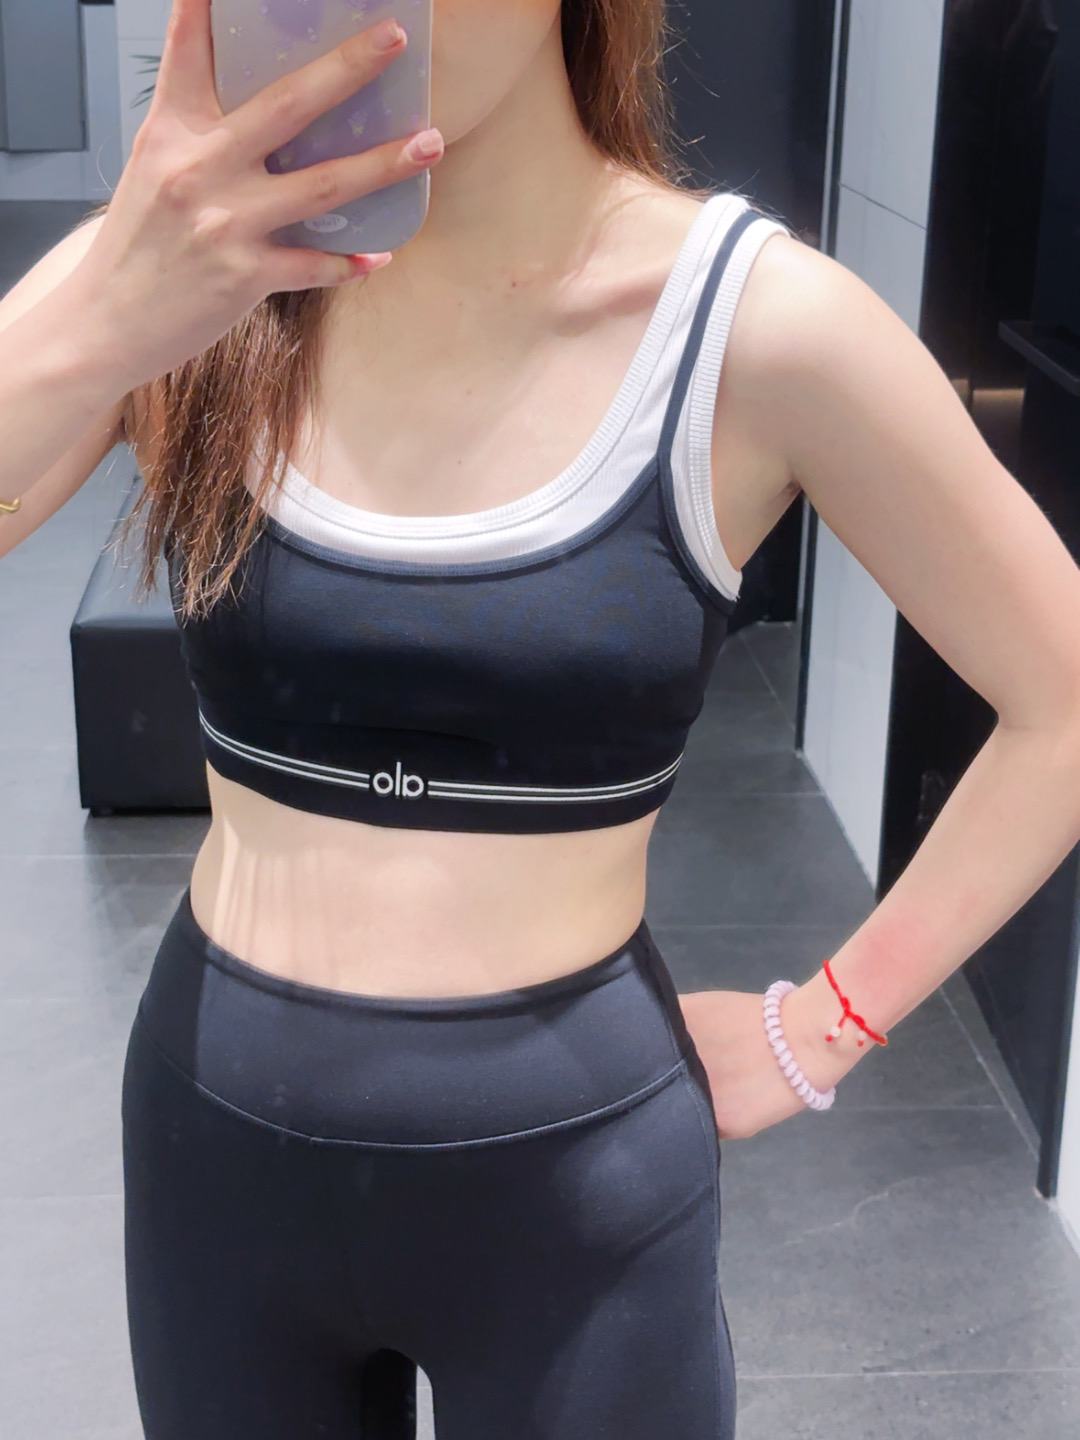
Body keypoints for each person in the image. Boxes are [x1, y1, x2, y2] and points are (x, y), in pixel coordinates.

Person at [2, 0, 1080, 1436]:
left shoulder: (751, 324)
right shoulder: (194, 287)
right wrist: (98, 311)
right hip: (217, 1150)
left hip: (575, 1194)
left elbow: (1064, 697)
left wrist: (825, 1024)